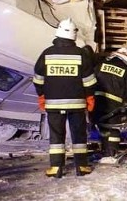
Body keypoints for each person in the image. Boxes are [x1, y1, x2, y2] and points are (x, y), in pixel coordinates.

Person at [33, 18, 97, 177]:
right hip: (77, 104)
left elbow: (38, 79)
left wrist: (41, 94)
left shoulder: (47, 53)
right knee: (79, 135)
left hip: (53, 104)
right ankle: (81, 166)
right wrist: (89, 97)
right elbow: (89, 81)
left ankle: (56, 168)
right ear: (74, 35)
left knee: (56, 135)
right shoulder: (81, 54)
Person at [93, 47, 127, 158]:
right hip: (114, 104)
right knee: (114, 129)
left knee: (102, 127)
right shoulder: (125, 68)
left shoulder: (101, 64)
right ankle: (112, 153)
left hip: (98, 100)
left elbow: (91, 80)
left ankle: (104, 149)